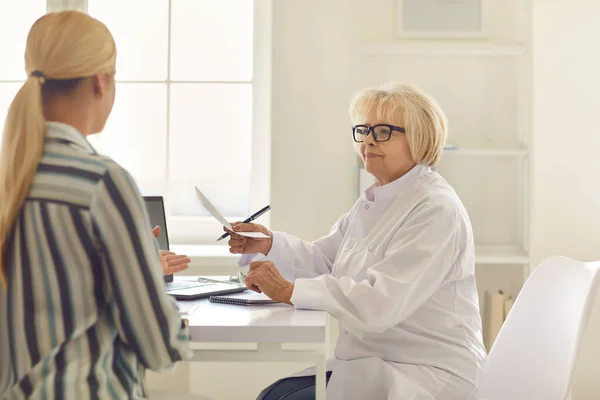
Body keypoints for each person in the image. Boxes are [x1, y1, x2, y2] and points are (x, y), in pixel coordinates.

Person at [228, 83, 487, 399]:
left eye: (382, 132)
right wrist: (269, 244)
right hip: (374, 363)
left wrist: (287, 291)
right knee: (274, 394)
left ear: (419, 138)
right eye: (364, 130)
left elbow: (381, 304)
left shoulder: (435, 209)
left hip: (427, 373)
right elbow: (326, 261)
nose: (367, 141)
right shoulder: (376, 201)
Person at [0, 11, 192, 399]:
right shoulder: (102, 182)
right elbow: (160, 347)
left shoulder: (9, 182)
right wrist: (144, 278)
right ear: (101, 81)